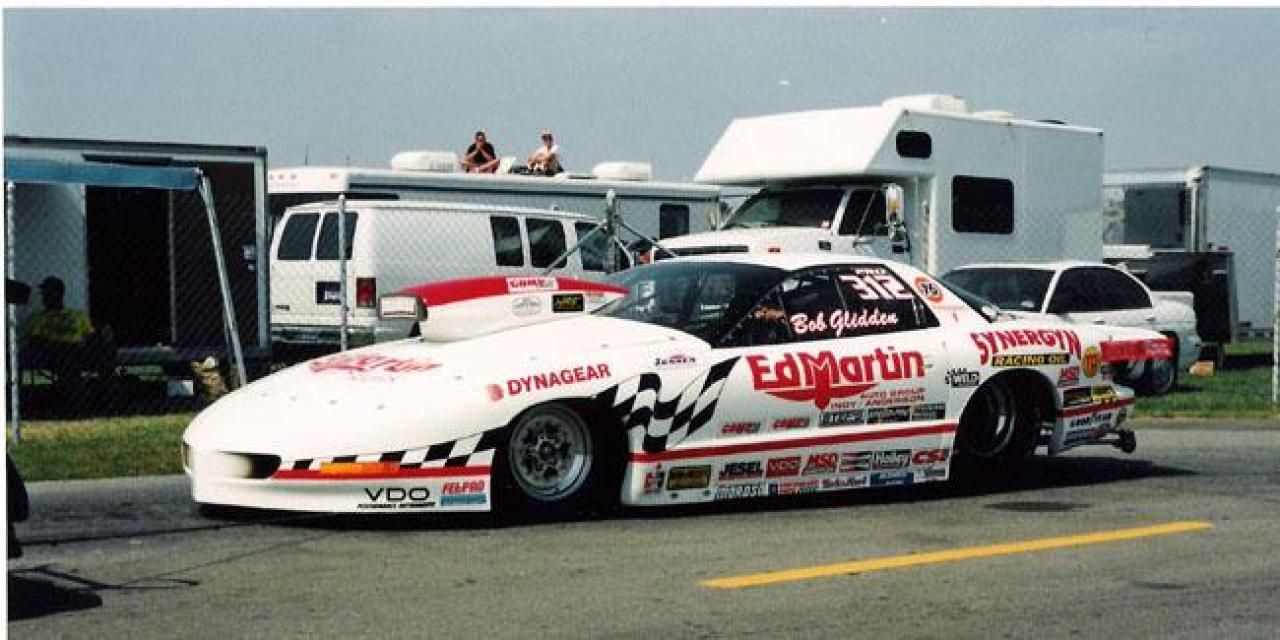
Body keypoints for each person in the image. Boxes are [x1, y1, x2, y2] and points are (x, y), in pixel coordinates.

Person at [25, 276, 101, 391]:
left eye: (49, 292)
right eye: (44, 293)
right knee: (64, 358)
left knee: (73, 357)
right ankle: (71, 389)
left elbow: (91, 337)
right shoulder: (37, 318)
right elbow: (35, 341)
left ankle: (70, 388)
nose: (44, 296)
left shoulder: (78, 315)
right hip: (52, 353)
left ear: (59, 293)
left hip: (76, 353)